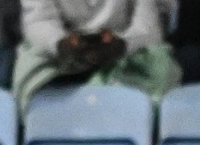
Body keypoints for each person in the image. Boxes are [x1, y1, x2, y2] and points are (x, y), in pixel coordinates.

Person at [12, 0, 181, 112]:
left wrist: (122, 45)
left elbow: (149, 27)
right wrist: (61, 44)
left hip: (125, 47)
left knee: (160, 65)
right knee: (29, 62)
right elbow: (38, 21)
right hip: (62, 50)